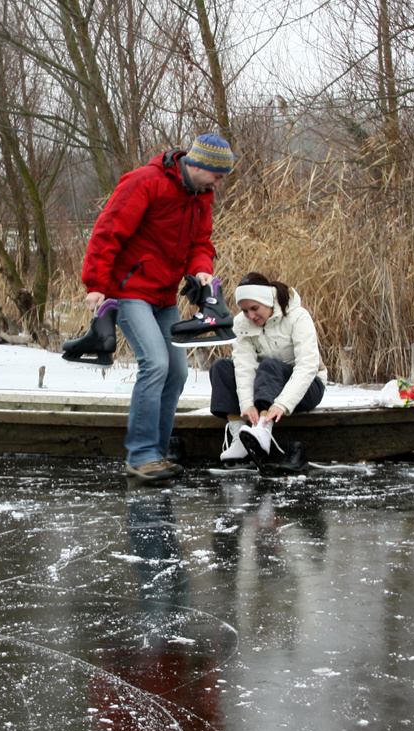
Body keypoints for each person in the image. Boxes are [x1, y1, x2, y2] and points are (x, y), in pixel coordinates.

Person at [81, 133, 234, 481]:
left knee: (178, 372)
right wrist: (96, 284)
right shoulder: (146, 182)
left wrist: (201, 270)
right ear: (197, 164)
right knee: (156, 363)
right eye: (217, 174)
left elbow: (201, 242)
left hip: (164, 296)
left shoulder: (201, 197)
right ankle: (141, 454)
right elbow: (108, 231)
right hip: (129, 289)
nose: (220, 182)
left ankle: (158, 452)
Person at [210, 272, 327, 470]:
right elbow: (244, 366)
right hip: (266, 387)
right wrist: (247, 404)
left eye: (254, 308)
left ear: (268, 301)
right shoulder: (242, 323)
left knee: (269, 365)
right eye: (245, 310)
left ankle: (263, 429)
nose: (251, 316)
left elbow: (307, 366)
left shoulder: (297, 316)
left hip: (307, 387)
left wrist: (282, 403)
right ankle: (241, 437)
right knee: (221, 367)